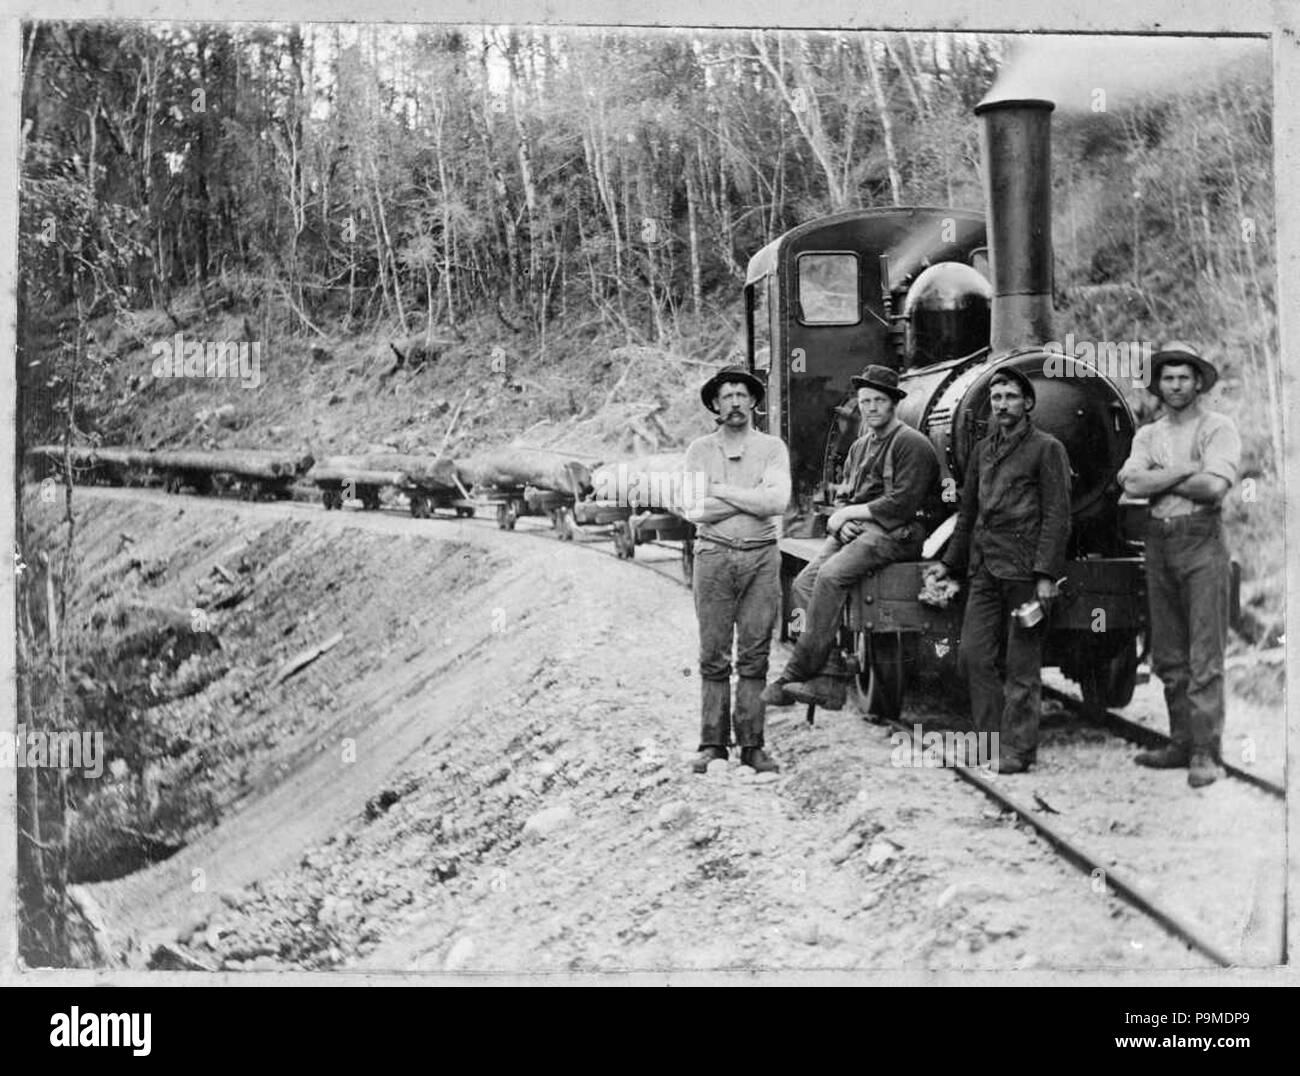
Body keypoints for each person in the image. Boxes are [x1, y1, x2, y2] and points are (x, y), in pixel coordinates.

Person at [763, 365, 939, 711]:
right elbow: (844, 497)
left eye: (878, 401)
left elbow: (902, 503)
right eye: (864, 401)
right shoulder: (859, 447)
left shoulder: (911, 444)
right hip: (858, 531)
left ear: (893, 404)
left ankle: (795, 673)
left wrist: (848, 515)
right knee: (803, 583)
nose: (870, 408)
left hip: (898, 533)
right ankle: (827, 677)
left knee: (830, 577)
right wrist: (838, 523)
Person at [924, 366, 1071, 774]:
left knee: (1022, 666)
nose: (1002, 405)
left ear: (1028, 403)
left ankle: (1019, 750)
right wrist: (950, 564)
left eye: (1010, 397)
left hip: (1024, 574)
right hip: (985, 570)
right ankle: (988, 740)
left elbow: (1057, 515)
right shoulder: (984, 450)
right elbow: (967, 514)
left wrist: (1045, 573)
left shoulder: (1047, 449)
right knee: (973, 656)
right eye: (996, 398)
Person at [1117, 342, 1241, 788]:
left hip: (1201, 540)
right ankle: (1180, 742)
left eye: (1183, 378)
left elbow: (1213, 488)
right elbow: (1130, 480)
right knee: (1169, 650)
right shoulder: (1148, 434)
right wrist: (1184, 471)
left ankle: (1206, 752)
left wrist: (1161, 479)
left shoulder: (1217, 427)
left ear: (1198, 382)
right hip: (1159, 542)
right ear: (1158, 384)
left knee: (1205, 650)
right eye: (1167, 378)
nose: (1175, 385)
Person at [682, 366, 792, 775]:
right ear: (714, 404)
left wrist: (721, 492)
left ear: (753, 402)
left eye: (741, 395)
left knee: (755, 653)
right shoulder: (699, 451)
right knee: (713, 653)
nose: (734, 402)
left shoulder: (772, 448)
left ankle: (752, 745)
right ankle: (712, 743)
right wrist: (753, 497)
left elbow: (777, 501)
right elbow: (693, 509)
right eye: (726, 396)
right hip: (713, 556)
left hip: (762, 558)